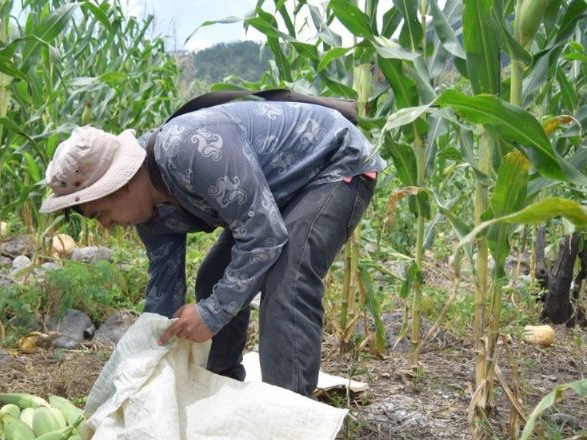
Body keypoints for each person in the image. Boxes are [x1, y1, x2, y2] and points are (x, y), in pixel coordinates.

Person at [39, 100, 385, 396]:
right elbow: (164, 292)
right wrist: (140, 365)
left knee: (287, 281)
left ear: (121, 183)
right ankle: (221, 387)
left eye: (102, 213)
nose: (106, 226)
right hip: (273, 195)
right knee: (213, 279)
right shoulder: (152, 216)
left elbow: (264, 236)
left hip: (332, 163)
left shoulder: (188, 150)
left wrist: (211, 314)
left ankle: (288, 426)